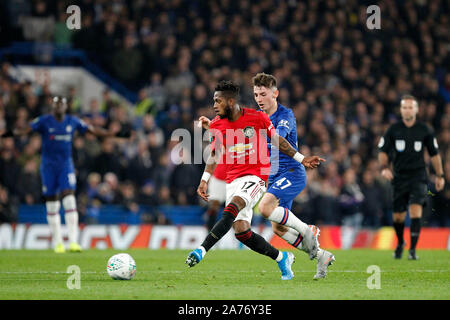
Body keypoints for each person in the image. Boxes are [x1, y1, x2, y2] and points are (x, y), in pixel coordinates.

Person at [186, 80, 325, 280]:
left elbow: (278, 141)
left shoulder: (256, 117)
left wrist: (302, 159)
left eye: (218, 101)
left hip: (255, 178)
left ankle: (201, 250)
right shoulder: (217, 124)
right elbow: (214, 154)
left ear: (230, 101)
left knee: (230, 211)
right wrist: (204, 179)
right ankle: (282, 258)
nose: (214, 105)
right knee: (242, 232)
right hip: (232, 181)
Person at [1, 96, 129, 253]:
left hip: (65, 166)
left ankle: (74, 241)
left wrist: (113, 134)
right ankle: (58, 242)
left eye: (61, 104)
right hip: (48, 167)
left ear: (65, 106)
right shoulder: (44, 121)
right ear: (52, 106)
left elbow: (93, 130)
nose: (59, 107)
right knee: (53, 205)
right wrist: (6, 134)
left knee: (69, 200)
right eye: (56, 104)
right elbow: (24, 130)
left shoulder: (73, 121)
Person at [252, 73, 335, 279]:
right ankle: (320, 255)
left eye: (263, 94)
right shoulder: (257, 118)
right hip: (274, 177)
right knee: (278, 228)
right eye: (255, 95)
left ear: (275, 93)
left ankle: (308, 230)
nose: (259, 99)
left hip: (292, 172)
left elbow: (277, 140)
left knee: (264, 208)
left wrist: (301, 158)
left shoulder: (285, 115)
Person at [378, 95, 445, 260]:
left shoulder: (424, 130)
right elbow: (383, 151)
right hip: (399, 177)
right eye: (404, 107)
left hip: (418, 176)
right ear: (401, 110)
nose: (407, 110)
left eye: (410, 107)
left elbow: (434, 154)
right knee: (398, 216)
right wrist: (385, 168)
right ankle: (401, 242)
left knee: (416, 211)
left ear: (416, 110)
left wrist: (440, 175)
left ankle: (413, 250)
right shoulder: (393, 130)